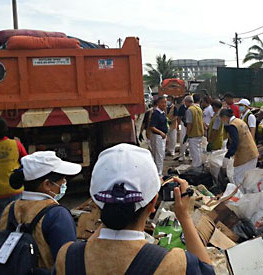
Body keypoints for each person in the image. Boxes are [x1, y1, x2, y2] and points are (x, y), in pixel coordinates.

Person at [55, 144, 214, 275]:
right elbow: (207, 271)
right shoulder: (174, 264)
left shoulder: (68, 257)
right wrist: (184, 217)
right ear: (153, 203)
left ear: (95, 202)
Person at [0, 151, 81, 269]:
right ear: (47, 184)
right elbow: (67, 263)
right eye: (62, 179)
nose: (64, 183)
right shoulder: (57, 214)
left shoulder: (10, 208)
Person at [220, 109, 259, 186]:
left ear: (224, 117)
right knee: (248, 179)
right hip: (252, 152)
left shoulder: (232, 125)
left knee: (238, 178)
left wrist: (228, 155)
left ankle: (242, 196)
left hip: (245, 155)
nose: (222, 121)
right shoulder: (239, 121)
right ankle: (249, 196)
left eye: (221, 119)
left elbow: (235, 142)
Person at [149, 96, 168, 176]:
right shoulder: (156, 114)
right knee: (158, 156)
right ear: (159, 103)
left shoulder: (162, 113)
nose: (165, 104)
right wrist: (161, 133)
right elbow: (152, 127)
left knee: (160, 155)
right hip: (157, 137)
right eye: (163, 102)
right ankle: (158, 173)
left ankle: (158, 172)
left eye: (165, 102)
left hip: (162, 137)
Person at [184, 95, 204, 168]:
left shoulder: (190, 110)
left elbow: (189, 124)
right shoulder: (198, 108)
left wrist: (187, 134)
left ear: (187, 102)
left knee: (194, 152)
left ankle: (196, 167)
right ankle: (199, 164)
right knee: (199, 151)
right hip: (200, 133)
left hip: (193, 134)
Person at [177, 97, 189, 161]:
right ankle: (182, 154)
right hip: (183, 125)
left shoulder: (192, 107)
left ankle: (190, 155)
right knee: (182, 141)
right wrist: (179, 128)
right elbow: (179, 118)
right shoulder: (182, 108)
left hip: (190, 125)